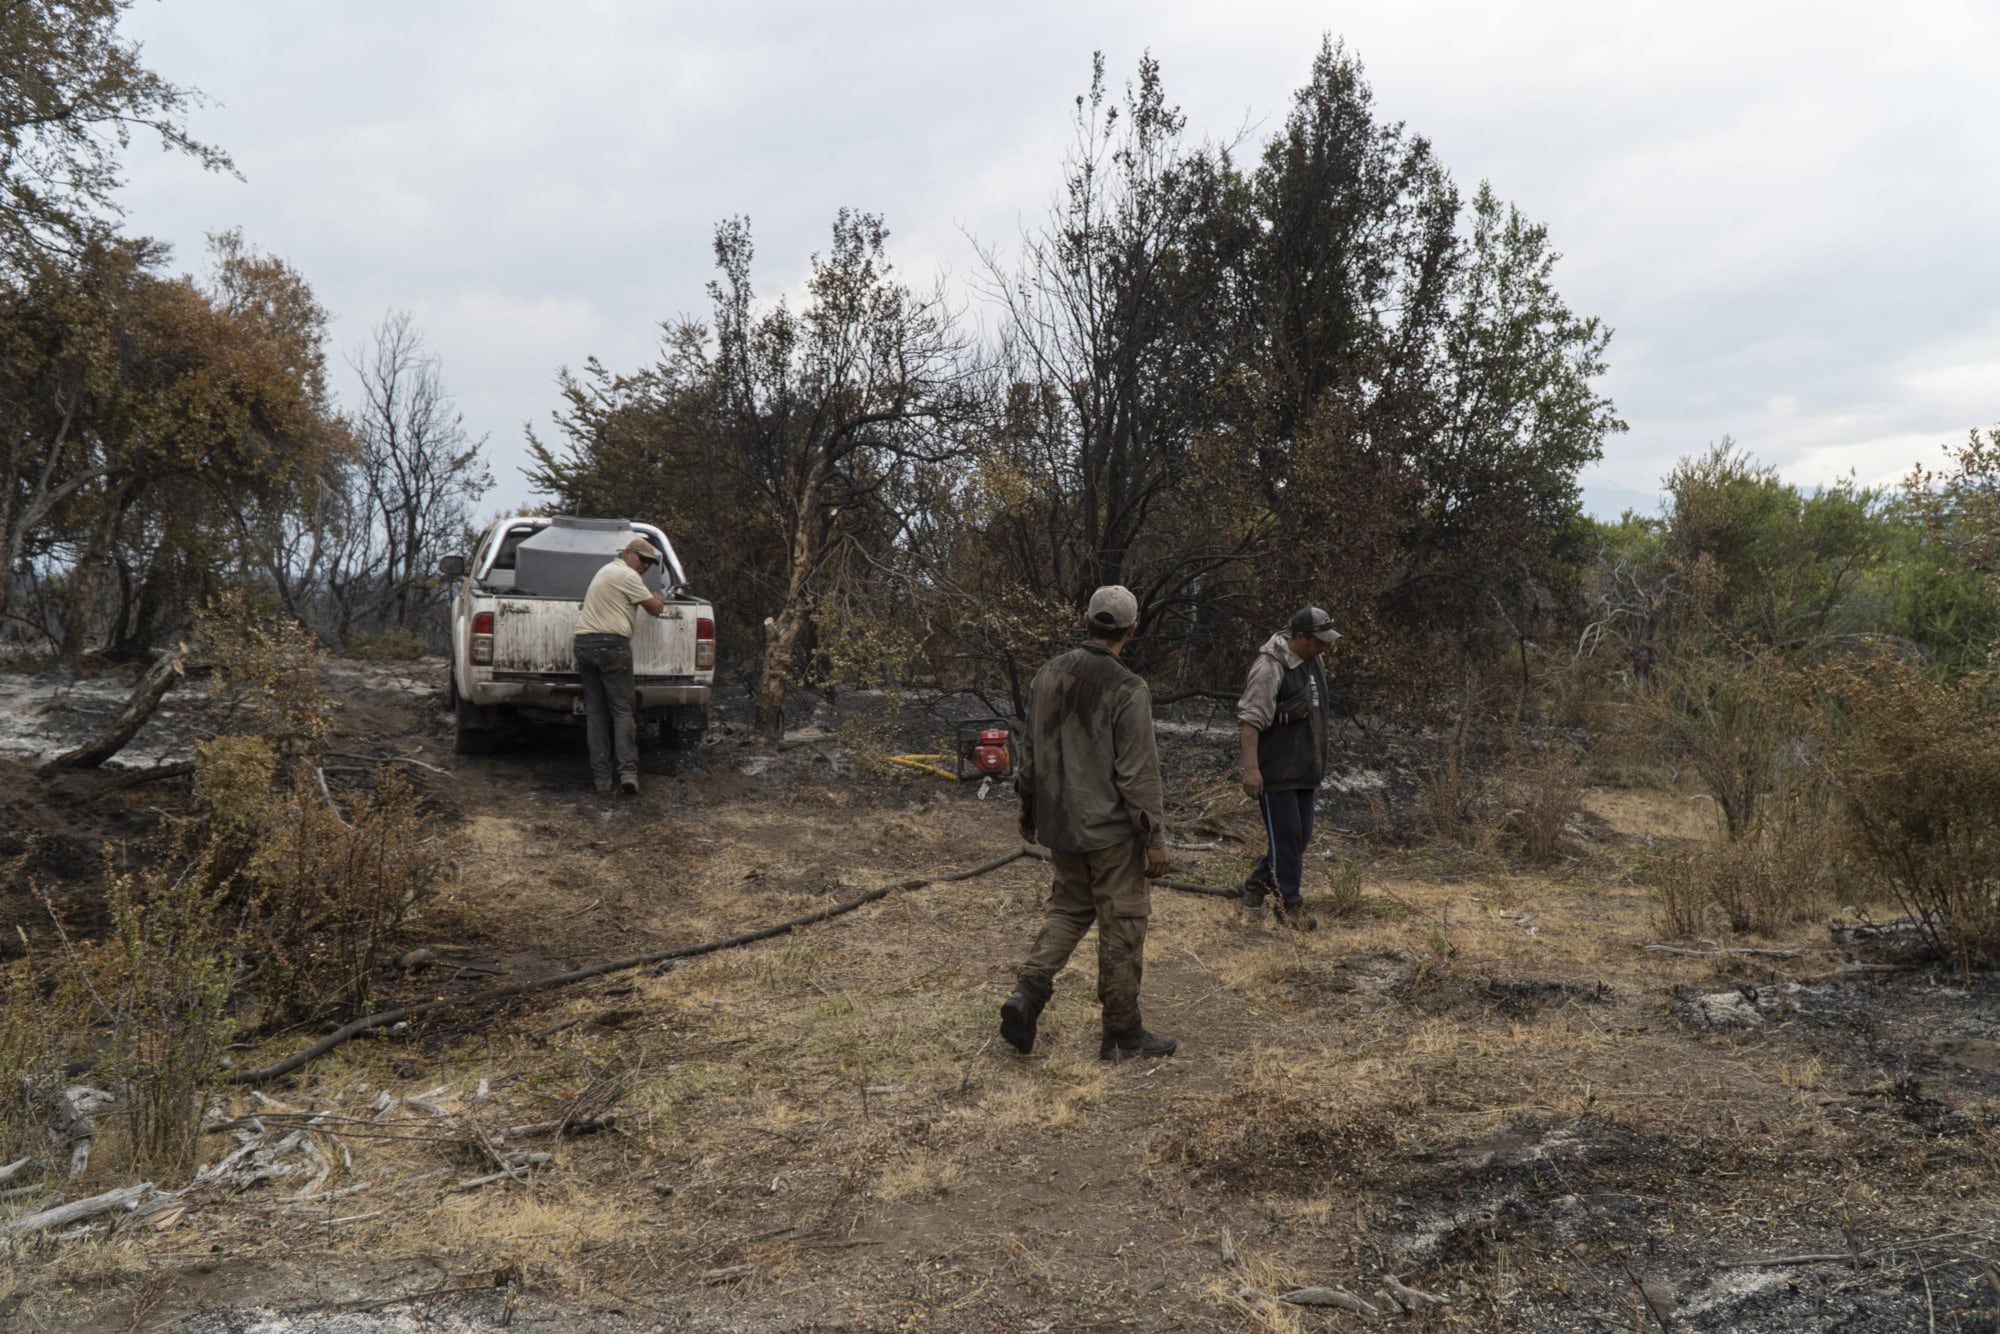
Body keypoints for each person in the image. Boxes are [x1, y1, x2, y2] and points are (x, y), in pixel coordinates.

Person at [999, 586, 1176, 1062]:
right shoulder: (1128, 688)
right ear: (1132, 630)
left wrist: (1029, 806)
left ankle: (1028, 993)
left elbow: (1030, 751)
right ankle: (1122, 1032)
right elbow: (1138, 773)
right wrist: (1155, 837)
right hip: (1111, 833)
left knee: (1068, 910)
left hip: (1061, 825)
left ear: (1085, 620)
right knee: (1122, 924)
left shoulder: (1047, 674)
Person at [1236, 606, 1341, 928]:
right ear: (1299, 636)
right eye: (1318, 641)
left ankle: (1256, 886)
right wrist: (1252, 770)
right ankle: (1289, 907)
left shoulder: (1314, 660)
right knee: (1286, 841)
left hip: (1306, 769)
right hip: (1277, 771)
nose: (1324, 648)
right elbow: (1250, 722)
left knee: (1298, 839)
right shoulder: (1269, 666)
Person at [573, 537, 665, 795]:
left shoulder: (606, 570)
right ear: (627, 553)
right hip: (611, 646)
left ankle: (601, 780)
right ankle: (628, 774)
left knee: (596, 714)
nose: (645, 566)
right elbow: (655, 609)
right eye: (642, 559)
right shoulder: (628, 576)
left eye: (649, 563)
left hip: (583, 644)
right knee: (622, 711)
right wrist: (658, 596)